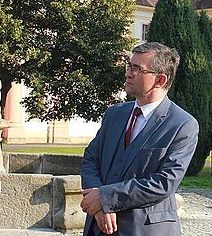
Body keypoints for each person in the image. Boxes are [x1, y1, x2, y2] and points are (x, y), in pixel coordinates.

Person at [80, 42, 199, 236]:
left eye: (137, 69)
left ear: (160, 79)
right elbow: (90, 159)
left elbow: (164, 183)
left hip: (144, 229)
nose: (128, 73)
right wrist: (99, 206)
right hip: (99, 227)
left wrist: (105, 198)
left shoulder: (182, 124)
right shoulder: (114, 114)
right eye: (129, 66)